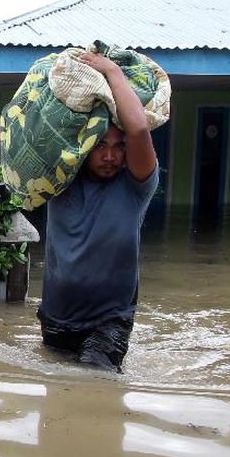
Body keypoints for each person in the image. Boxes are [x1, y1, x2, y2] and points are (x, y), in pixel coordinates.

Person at [36, 51, 159, 373]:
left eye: (118, 147)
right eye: (100, 145)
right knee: (57, 405)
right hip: (55, 316)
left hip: (110, 320)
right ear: (84, 147)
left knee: (95, 386)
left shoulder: (136, 186)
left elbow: (139, 132)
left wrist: (112, 72)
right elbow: (3, 135)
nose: (109, 156)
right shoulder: (59, 180)